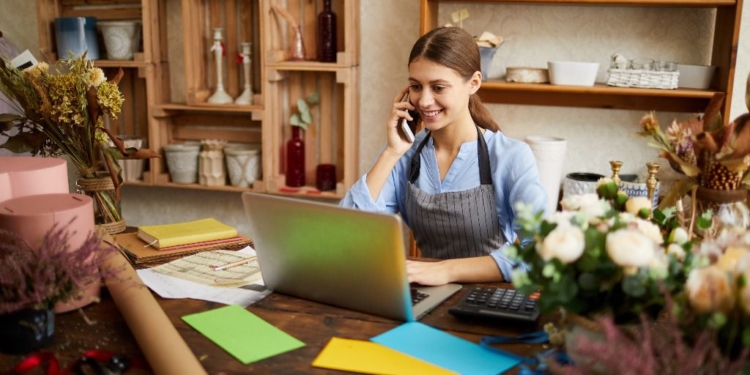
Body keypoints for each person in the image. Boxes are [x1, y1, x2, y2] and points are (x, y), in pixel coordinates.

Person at [340, 26, 547, 286]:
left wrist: (448, 271)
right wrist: (391, 152)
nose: (424, 101)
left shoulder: (511, 157)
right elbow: (347, 233)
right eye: (416, 87)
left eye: (438, 87)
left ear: (473, 83)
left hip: (487, 299)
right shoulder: (405, 153)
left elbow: (541, 253)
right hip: (424, 296)